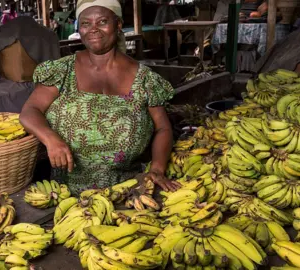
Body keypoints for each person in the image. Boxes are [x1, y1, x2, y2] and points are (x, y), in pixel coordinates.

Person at [20, 0, 181, 194]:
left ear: (118, 25)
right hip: (64, 194)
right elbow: (30, 111)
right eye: (86, 23)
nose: (93, 29)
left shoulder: (145, 80)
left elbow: (163, 127)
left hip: (128, 191)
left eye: (102, 21)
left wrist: (157, 169)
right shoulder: (62, 71)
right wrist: (51, 138)